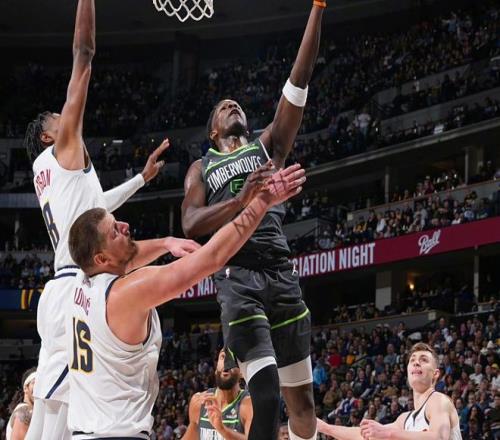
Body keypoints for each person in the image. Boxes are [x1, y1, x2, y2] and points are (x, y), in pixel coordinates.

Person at [66, 164, 305, 438]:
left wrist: (166, 242)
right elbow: (212, 257)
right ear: (101, 259)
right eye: (115, 232)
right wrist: (262, 202)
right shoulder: (124, 294)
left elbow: (127, 256)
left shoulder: (81, 280)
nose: (125, 226)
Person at [23, 1, 168, 438]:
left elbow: (97, 204)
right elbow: (83, 56)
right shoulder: (63, 150)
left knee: (50, 409)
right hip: (74, 285)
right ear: (48, 135)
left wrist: (141, 179)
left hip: (59, 286)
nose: (64, 115)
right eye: (57, 118)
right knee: (69, 413)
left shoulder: (49, 174)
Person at [181, 2, 325, 439]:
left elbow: (298, 82)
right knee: (264, 395)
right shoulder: (202, 166)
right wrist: (241, 199)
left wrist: (317, 8)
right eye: (223, 107)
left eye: (236, 105)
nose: (232, 106)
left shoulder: (266, 147)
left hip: (280, 273)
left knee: (303, 408)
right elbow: (191, 223)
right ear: (213, 131)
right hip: (238, 278)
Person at [318, 342, 462, 440]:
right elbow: (363, 435)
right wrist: (325, 427)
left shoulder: (438, 400)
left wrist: (388, 433)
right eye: (412, 360)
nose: (416, 362)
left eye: (423, 360)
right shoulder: (404, 420)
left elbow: (439, 437)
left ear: (435, 374)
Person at [183, 349, 253, 439]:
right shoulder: (198, 402)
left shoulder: (249, 405)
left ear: (242, 373)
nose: (227, 363)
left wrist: (222, 429)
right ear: (216, 369)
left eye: (233, 359)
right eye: (223, 357)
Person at [6, 368, 36, 440]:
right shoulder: (24, 411)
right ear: (25, 388)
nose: (38, 388)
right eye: (34, 383)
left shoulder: (27, 409)